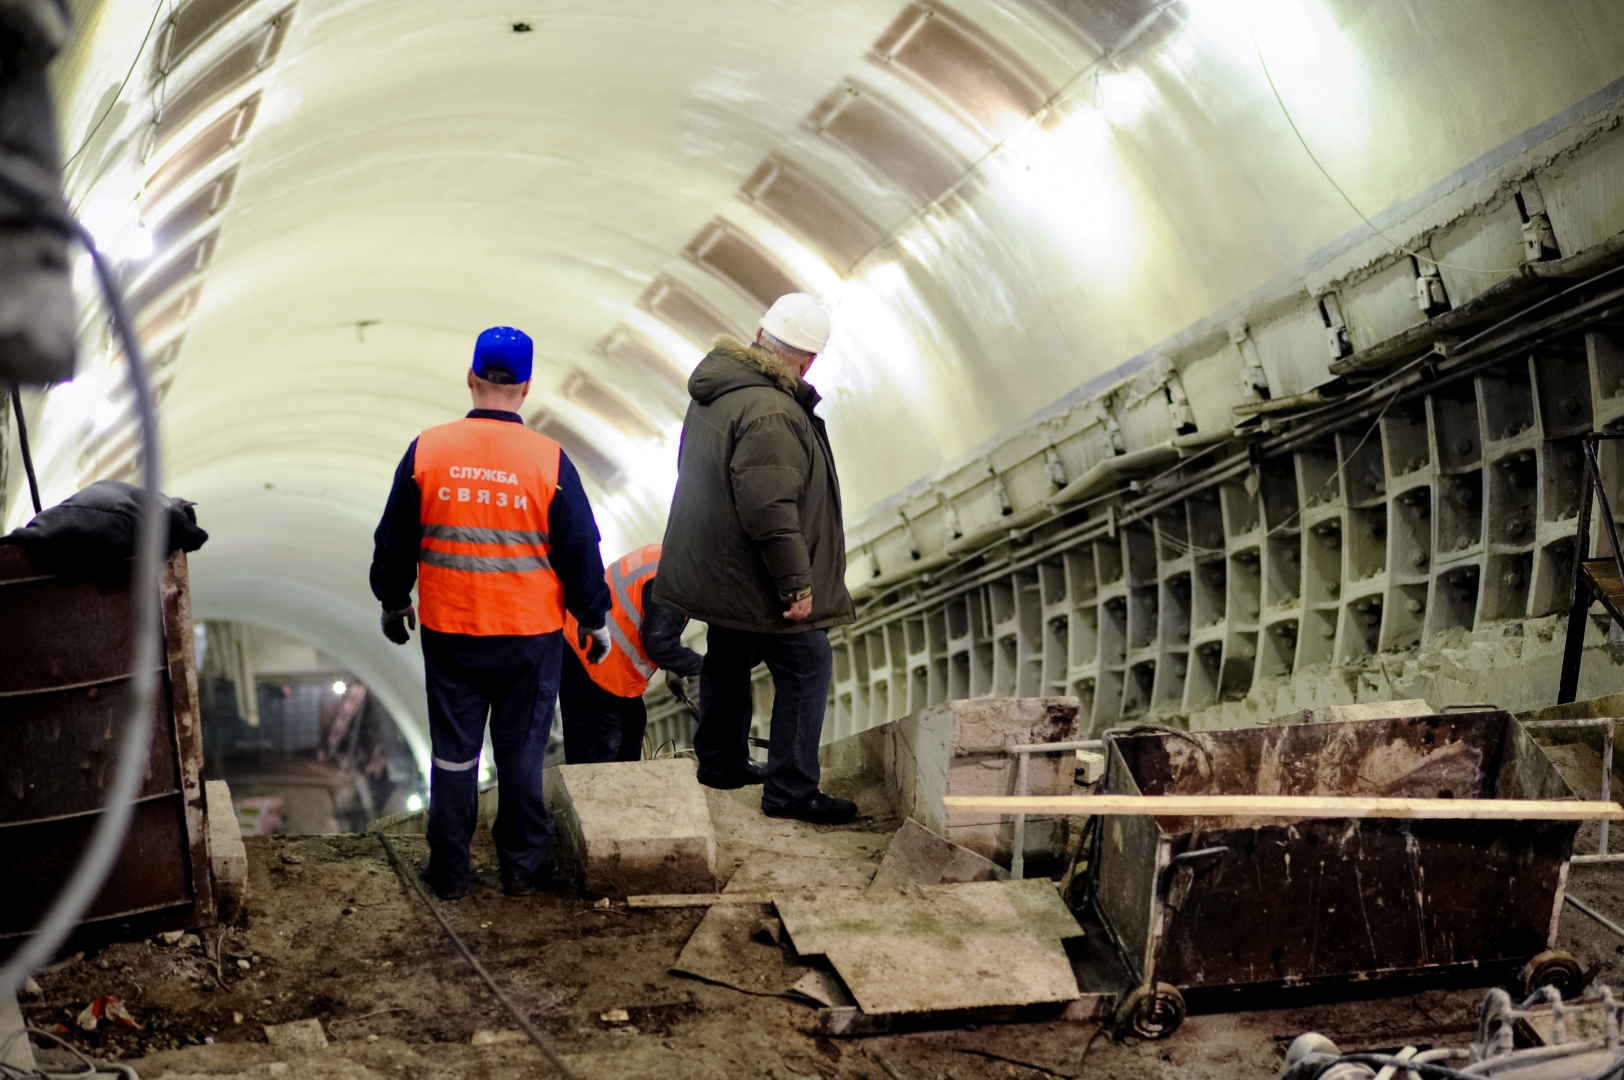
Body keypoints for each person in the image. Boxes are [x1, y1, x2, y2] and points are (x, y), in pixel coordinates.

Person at [369, 326, 612, 900]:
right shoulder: (549, 460)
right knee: (522, 753)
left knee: (455, 757)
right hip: (530, 637)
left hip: (452, 630)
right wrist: (594, 618)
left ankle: (449, 872)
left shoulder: (427, 450)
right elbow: (581, 548)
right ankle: (523, 869)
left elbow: (395, 539)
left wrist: (392, 599)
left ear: (472, 378)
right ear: (526, 389)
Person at [652, 293, 857, 825]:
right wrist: (796, 584)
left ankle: (720, 762)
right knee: (808, 662)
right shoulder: (770, 410)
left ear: (761, 336)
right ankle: (790, 790)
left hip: (722, 569)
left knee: (728, 650)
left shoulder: (718, 392)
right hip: (756, 573)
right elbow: (770, 508)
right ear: (809, 360)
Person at [559, 543, 704, 763]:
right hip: (589, 654)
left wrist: (674, 668)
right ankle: (596, 795)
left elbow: (659, 619)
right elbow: (660, 644)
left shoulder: (668, 557)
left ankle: (623, 794)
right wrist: (713, 667)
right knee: (600, 743)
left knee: (632, 722)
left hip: (590, 644)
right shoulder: (676, 578)